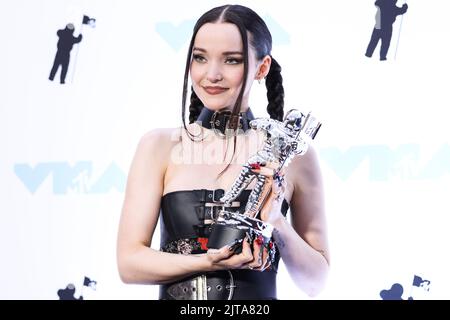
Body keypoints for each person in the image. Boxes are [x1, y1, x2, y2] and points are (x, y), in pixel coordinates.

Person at [117, 4, 329, 300]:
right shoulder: (159, 147)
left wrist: (277, 222)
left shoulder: (293, 157)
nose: (211, 74)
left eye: (232, 60)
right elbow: (129, 264)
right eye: (200, 58)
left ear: (262, 67)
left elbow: (315, 284)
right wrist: (206, 261)